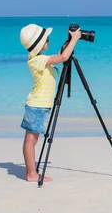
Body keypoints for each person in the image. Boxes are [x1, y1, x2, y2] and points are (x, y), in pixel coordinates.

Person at [18, 23, 81, 182]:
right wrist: (75, 39)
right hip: (37, 105)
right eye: (46, 39)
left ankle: (31, 171)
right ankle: (31, 174)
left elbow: (60, 55)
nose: (48, 41)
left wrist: (68, 42)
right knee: (31, 140)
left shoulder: (39, 59)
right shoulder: (37, 61)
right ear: (40, 44)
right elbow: (63, 58)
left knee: (32, 140)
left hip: (40, 105)